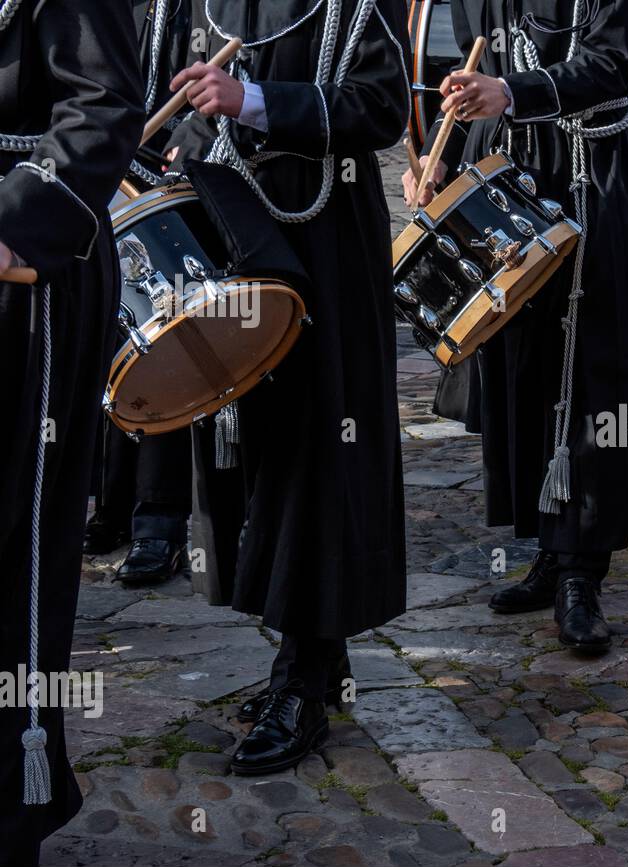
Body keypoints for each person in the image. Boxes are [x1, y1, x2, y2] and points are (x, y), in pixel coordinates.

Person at [166, 0, 410, 773]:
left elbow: (383, 108)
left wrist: (254, 101)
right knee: (251, 456)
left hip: (326, 238)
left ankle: (303, 675)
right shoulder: (191, 3)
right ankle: (308, 656)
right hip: (224, 235)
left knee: (319, 454)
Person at [404, 0, 628, 653]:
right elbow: (472, 76)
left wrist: (510, 92)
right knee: (525, 368)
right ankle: (550, 546)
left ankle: (582, 570)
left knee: (588, 371)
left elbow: (613, 66)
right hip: (506, 176)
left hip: (589, 174)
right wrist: (438, 167)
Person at [0, 0, 145, 866]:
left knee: (15, 551)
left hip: (25, 283)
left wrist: (13, 220)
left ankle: (13, 805)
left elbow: (103, 105)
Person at [84, 0, 196, 587]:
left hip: (178, 188)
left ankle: (160, 521)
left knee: (164, 344)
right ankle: (112, 501)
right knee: (108, 340)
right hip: (106, 179)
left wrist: (194, 133)